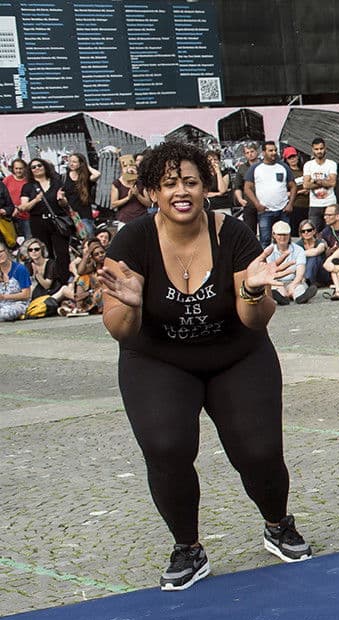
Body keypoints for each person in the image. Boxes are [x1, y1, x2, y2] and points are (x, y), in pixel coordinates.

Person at [96, 140, 309, 590]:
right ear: (153, 191)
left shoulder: (230, 234)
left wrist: (252, 291)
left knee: (259, 451)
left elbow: (256, 319)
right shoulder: (131, 240)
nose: (181, 191)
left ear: (206, 188)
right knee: (167, 447)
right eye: (169, 183)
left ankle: (277, 523)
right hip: (157, 359)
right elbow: (119, 329)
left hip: (237, 354)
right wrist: (132, 304)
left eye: (190, 181)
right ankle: (188, 548)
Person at [246, 141, 294, 247]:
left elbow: (293, 186)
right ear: (263, 152)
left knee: (285, 240)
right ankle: (265, 263)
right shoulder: (255, 168)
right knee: (265, 241)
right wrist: (257, 204)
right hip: (265, 211)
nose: (274, 153)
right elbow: (247, 188)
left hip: (283, 210)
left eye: (275, 150)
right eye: (270, 150)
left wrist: (290, 204)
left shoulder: (283, 167)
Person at [265, 220, 310, 305]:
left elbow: (300, 272)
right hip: (276, 281)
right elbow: (269, 274)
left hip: (293, 280)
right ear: (274, 235)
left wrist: (293, 285)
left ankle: (300, 297)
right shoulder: (268, 251)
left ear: (289, 235)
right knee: (278, 290)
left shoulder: (299, 249)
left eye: (285, 234)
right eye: (279, 234)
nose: (282, 237)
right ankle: (282, 297)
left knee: (298, 289)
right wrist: (279, 285)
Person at [301, 138, 338, 229]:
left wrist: (314, 181)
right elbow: (306, 185)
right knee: (313, 231)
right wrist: (324, 182)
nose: (319, 151)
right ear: (313, 150)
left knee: (331, 231)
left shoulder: (331, 164)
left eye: (321, 149)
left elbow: (333, 183)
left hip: (330, 203)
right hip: (314, 204)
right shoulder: (308, 165)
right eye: (316, 149)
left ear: (325, 149)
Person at [113, 153, 150, 225]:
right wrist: (128, 198)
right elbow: (114, 204)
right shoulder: (117, 183)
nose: (128, 168)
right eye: (125, 166)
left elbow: (148, 203)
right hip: (124, 220)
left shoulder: (141, 183)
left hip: (141, 219)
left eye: (131, 165)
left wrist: (138, 195)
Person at [0, 241, 32, 321]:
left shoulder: (20, 269)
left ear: (6, 251)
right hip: (2, 303)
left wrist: (4, 297)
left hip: (18, 303)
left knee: (4, 314)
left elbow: (26, 294)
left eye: (1, 252)